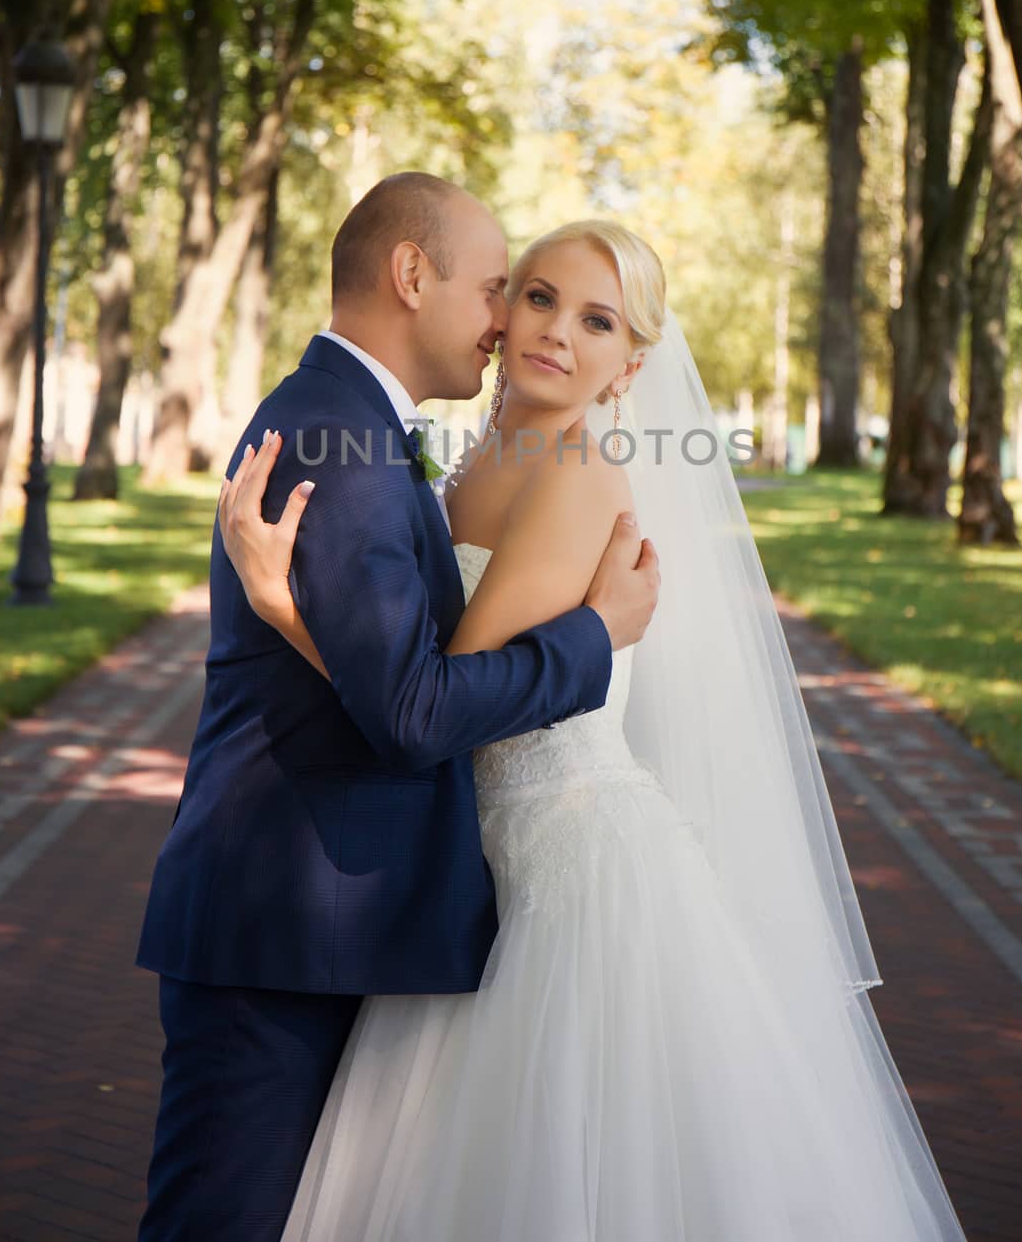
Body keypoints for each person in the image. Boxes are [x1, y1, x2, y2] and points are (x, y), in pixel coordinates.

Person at [222, 216, 969, 1241]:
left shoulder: (576, 466)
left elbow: (437, 699)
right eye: (535, 297)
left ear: (629, 363)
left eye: (595, 319)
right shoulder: (472, 458)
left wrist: (283, 610)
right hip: (473, 861)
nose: (556, 332)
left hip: (565, 867)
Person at [134, 174, 660, 1242]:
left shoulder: (366, 429)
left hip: (354, 913)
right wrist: (592, 638)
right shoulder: (350, 443)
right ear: (411, 275)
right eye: (503, 291)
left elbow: (404, 684)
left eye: (583, 314)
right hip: (284, 930)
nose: (509, 323)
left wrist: (293, 618)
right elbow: (415, 710)